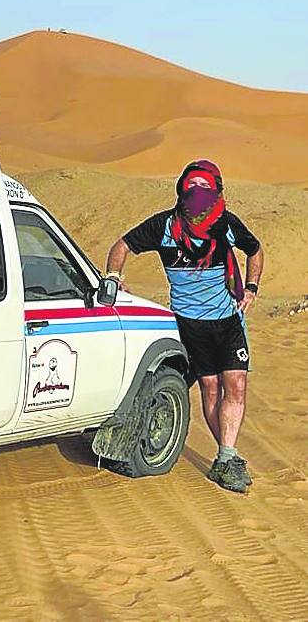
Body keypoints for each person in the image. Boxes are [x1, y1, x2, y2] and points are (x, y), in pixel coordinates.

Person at [105, 160, 263, 494]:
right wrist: (114, 277)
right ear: (182, 193)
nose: (197, 201)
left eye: (204, 193)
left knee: (235, 385)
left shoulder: (226, 225)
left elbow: (255, 249)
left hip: (228, 320)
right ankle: (227, 457)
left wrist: (251, 288)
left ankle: (226, 455)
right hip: (190, 325)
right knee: (209, 388)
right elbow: (122, 246)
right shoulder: (163, 226)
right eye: (192, 192)